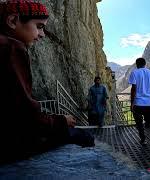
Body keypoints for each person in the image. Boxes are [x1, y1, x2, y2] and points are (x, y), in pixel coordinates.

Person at [0, 0, 94, 164]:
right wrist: (61, 121)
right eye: (39, 26)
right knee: (83, 136)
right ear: (13, 21)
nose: (42, 34)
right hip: (9, 144)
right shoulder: (12, 48)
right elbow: (24, 113)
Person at [128, 57, 150, 149]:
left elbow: (133, 89)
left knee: (139, 123)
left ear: (136, 64)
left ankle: (143, 139)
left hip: (138, 104)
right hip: (149, 103)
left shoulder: (134, 73)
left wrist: (132, 103)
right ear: (145, 64)